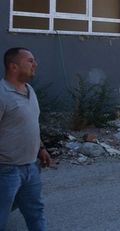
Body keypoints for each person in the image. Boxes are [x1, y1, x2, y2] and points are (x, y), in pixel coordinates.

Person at [1, 47, 51, 231]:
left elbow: (32, 125)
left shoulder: (30, 90)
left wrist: (41, 148)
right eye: (30, 61)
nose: (35, 64)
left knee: (36, 213)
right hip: (6, 171)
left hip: (31, 168)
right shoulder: (2, 94)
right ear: (13, 66)